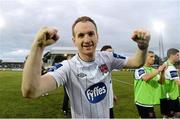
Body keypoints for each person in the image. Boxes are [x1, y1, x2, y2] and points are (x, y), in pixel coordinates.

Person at [22, 16, 150, 118]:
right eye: (81, 35)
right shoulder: (67, 67)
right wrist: (38, 46)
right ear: (74, 41)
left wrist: (143, 47)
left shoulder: (108, 57)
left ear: (97, 36)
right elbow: (31, 91)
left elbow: (136, 62)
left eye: (90, 33)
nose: (87, 39)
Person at [134, 51, 166, 118]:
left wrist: (163, 73)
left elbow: (161, 82)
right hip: (142, 101)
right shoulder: (140, 68)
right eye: (151, 56)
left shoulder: (153, 70)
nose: (153, 58)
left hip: (150, 101)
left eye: (154, 57)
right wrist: (158, 70)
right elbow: (145, 77)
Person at [160, 48, 180, 118]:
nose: (179, 56)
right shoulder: (170, 67)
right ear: (172, 55)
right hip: (169, 97)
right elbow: (178, 82)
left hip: (172, 95)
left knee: (177, 114)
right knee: (169, 116)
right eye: (177, 55)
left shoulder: (167, 64)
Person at [100, 45, 117, 118]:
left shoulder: (107, 67)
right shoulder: (97, 67)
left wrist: (112, 94)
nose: (112, 55)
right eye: (109, 53)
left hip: (109, 103)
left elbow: (108, 83)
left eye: (112, 53)